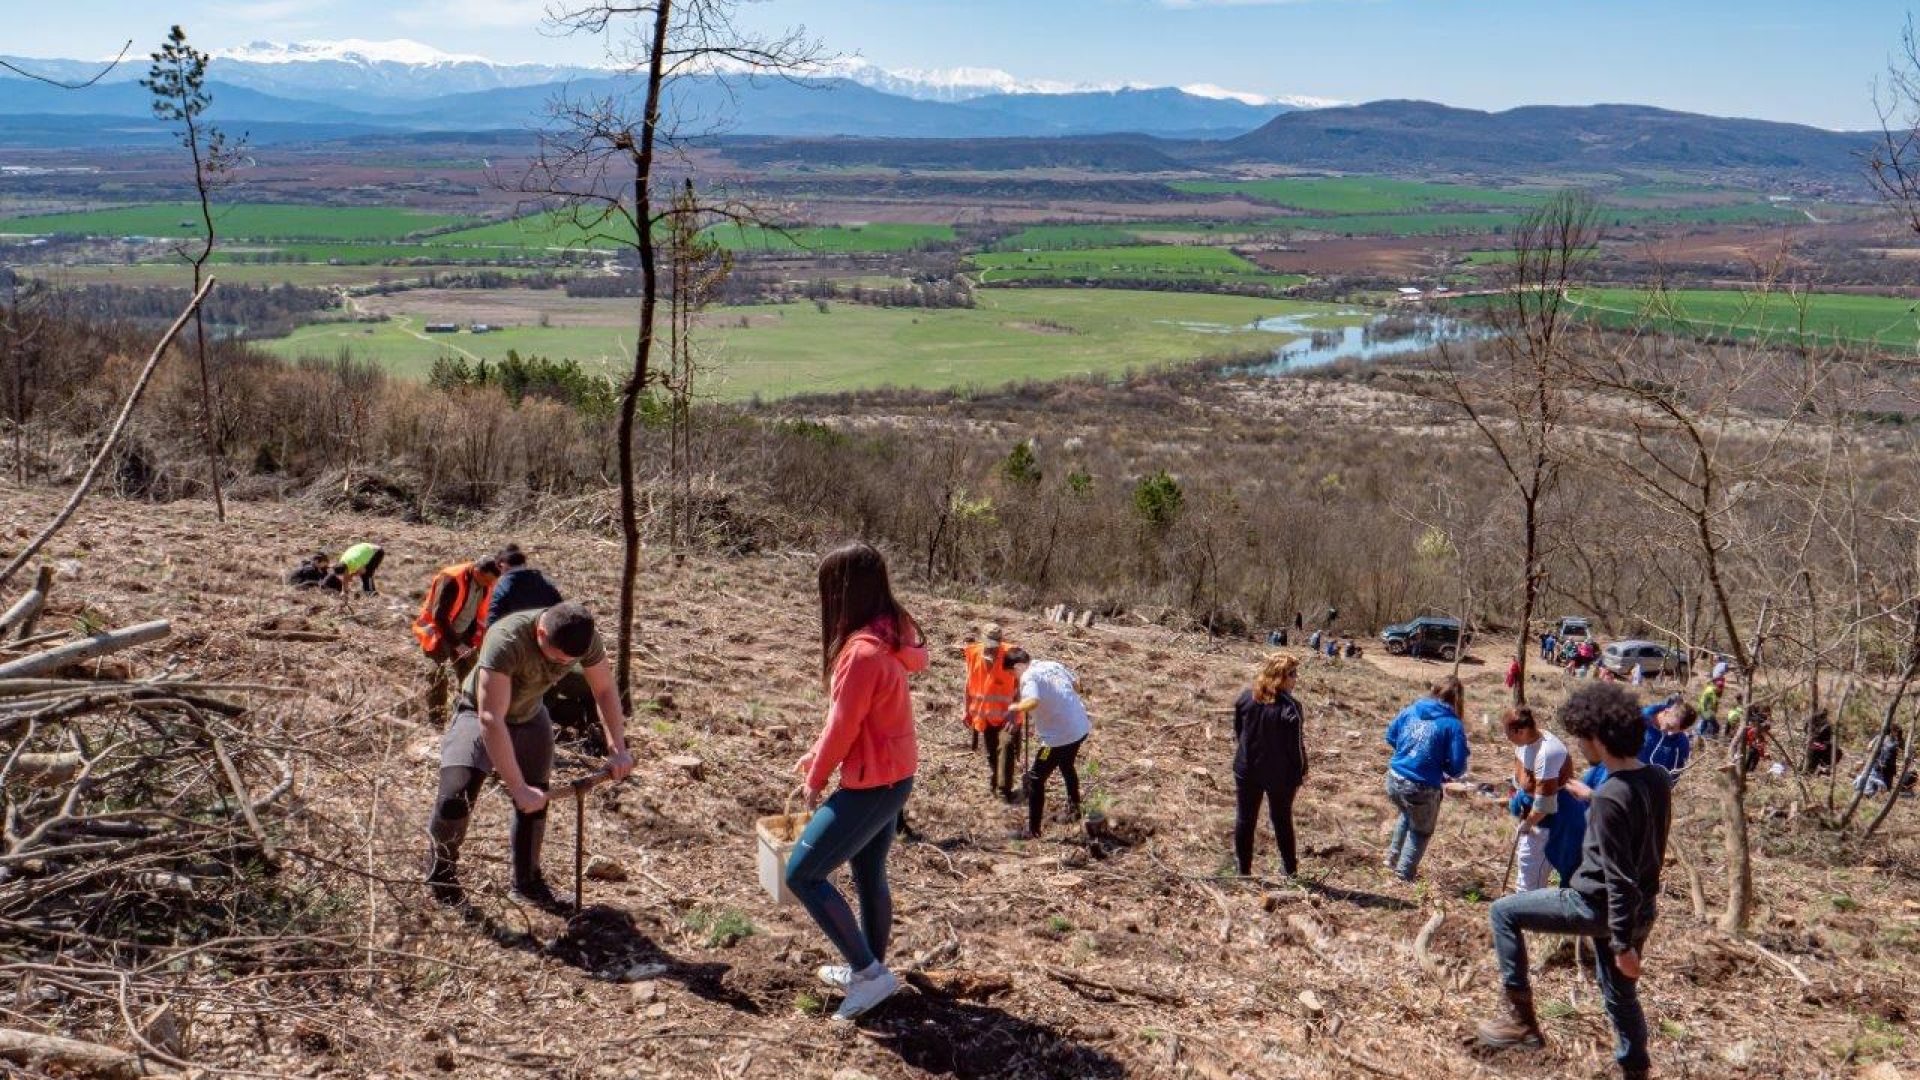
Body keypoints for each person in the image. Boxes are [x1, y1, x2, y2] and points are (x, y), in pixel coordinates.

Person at [1475, 682, 1671, 1080]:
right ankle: (1635, 1069)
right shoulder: (1653, 780)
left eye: (1583, 738)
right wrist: (1592, 795)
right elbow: (1635, 828)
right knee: (1619, 994)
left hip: (1596, 904)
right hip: (1640, 909)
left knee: (1502, 913)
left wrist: (1621, 944)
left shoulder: (1610, 798)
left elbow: (1617, 876)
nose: (1579, 746)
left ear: (1597, 739)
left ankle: (1521, 1021)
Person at [786, 542, 925, 1023]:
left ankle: (869, 974)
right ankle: (870, 968)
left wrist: (817, 778)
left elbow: (844, 724)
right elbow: (857, 721)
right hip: (894, 777)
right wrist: (818, 753)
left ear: (843, 592)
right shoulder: (887, 636)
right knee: (869, 876)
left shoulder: (862, 652)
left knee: (801, 874)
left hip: (872, 786)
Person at [425, 603, 635, 909]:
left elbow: (603, 690)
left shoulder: (586, 638)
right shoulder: (507, 639)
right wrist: (517, 786)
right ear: (540, 633)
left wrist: (618, 749)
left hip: (530, 714)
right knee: (455, 795)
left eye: (569, 661)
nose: (562, 665)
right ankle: (440, 878)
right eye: (557, 657)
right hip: (479, 713)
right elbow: (491, 719)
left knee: (536, 801)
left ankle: (527, 883)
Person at [1382, 677, 1469, 882]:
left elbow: (1391, 735)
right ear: (1457, 699)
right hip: (1421, 786)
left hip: (1394, 778)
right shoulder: (1452, 725)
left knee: (1408, 814)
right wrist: (1441, 766)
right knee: (1421, 831)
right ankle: (1403, 875)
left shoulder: (1412, 709)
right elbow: (1457, 767)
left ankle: (1392, 858)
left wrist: (1407, 754)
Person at [1232, 654, 1308, 878]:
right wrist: (1300, 773)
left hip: (1246, 769)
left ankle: (1243, 871)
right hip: (1279, 777)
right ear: (1280, 678)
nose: (1296, 678)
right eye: (1292, 674)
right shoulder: (1290, 708)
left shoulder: (1245, 697)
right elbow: (1296, 748)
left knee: (1245, 819)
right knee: (1282, 820)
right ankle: (1290, 871)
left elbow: (1239, 734)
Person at [1007, 649, 1092, 840]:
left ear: (1018, 666)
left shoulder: (1028, 676)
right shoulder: (1052, 665)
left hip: (1057, 739)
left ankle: (1033, 830)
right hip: (1079, 728)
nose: (1014, 677)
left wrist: (1015, 708)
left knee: (1036, 778)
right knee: (1066, 765)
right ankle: (1075, 808)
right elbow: (1078, 685)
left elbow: (1032, 701)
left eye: (1012, 673)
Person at [412, 555, 503, 718]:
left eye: (492, 582)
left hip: (464, 633)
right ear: (477, 571)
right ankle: (436, 719)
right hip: (439, 633)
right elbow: (439, 616)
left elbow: (477, 612)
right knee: (437, 676)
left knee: (471, 674)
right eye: (487, 581)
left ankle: (464, 715)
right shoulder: (452, 579)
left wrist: (473, 640)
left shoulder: (485, 583)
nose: (490, 585)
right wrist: (457, 645)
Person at [1504, 706, 1574, 892]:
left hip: (1550, 820)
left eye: (1508, 733)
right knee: (1526, 866)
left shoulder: (1547, 753)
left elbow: (1545, 804)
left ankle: (1527, 914)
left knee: (1531, 874)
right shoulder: (1524, 744)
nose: (1506, 738)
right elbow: (1519, 780)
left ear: (1521, 731)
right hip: (1532, 812)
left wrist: (1527, 824)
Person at [962, 625, 1022, 802]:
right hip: (985, 715)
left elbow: (1023, 686)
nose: (991, 648)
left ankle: (1004, 790)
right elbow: (968, 683)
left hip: (1008, 716)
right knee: (991, 753)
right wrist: (966, 710)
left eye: (995, 645)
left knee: (1006, 749)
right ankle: (996, 781)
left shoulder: (1012, 655)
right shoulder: (973, 654)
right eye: (988, 643)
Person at [486, 544, 564, 625]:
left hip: (515, 633)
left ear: (502, 565)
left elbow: (493, 620)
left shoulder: (503, 586)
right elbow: (560, 611)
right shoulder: (545, 582)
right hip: (544, 631)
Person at [1639, 698, 1695, 782]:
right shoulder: (1638, 719)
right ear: (1666, 712)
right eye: (1670, 726)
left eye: (1676, 731)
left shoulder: (1681, 744)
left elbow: (1674, 774)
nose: (1670, 733)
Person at [1805, 711, 1839, 776]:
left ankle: (1822, 768)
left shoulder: (1814, 719)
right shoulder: (1826, 725)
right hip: (1815, 745)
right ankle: (1821, 768)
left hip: (1815, 745)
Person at [1696, 677, 1723, 741]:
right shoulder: (1711, 692)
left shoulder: (1710, 689)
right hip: (1706, 711)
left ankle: (1700, 738)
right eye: (1720, 688)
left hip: (1705, 711)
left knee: (1704, 724)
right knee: (1715, 726)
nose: (1721, 690)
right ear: (1717, 687)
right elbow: (1705, 702)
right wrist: (1707, 712)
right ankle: (1710, 739)